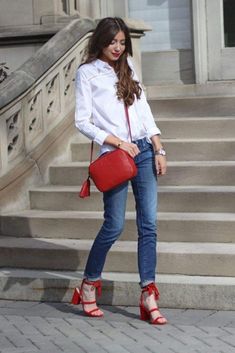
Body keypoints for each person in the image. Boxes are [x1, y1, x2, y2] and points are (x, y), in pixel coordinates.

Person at [72, 17, 167, 325]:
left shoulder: (128, 66)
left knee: (148, 224)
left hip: (143, 151)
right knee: (113, 225)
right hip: (116, 155)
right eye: (113, 41)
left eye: (122, 42)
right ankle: (88, 285)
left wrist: (159, 147)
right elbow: (83, 121)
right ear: (101, 40)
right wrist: (117, 142)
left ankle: (148, 296)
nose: (118, 47)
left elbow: (143, 108)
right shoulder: (87, 73)